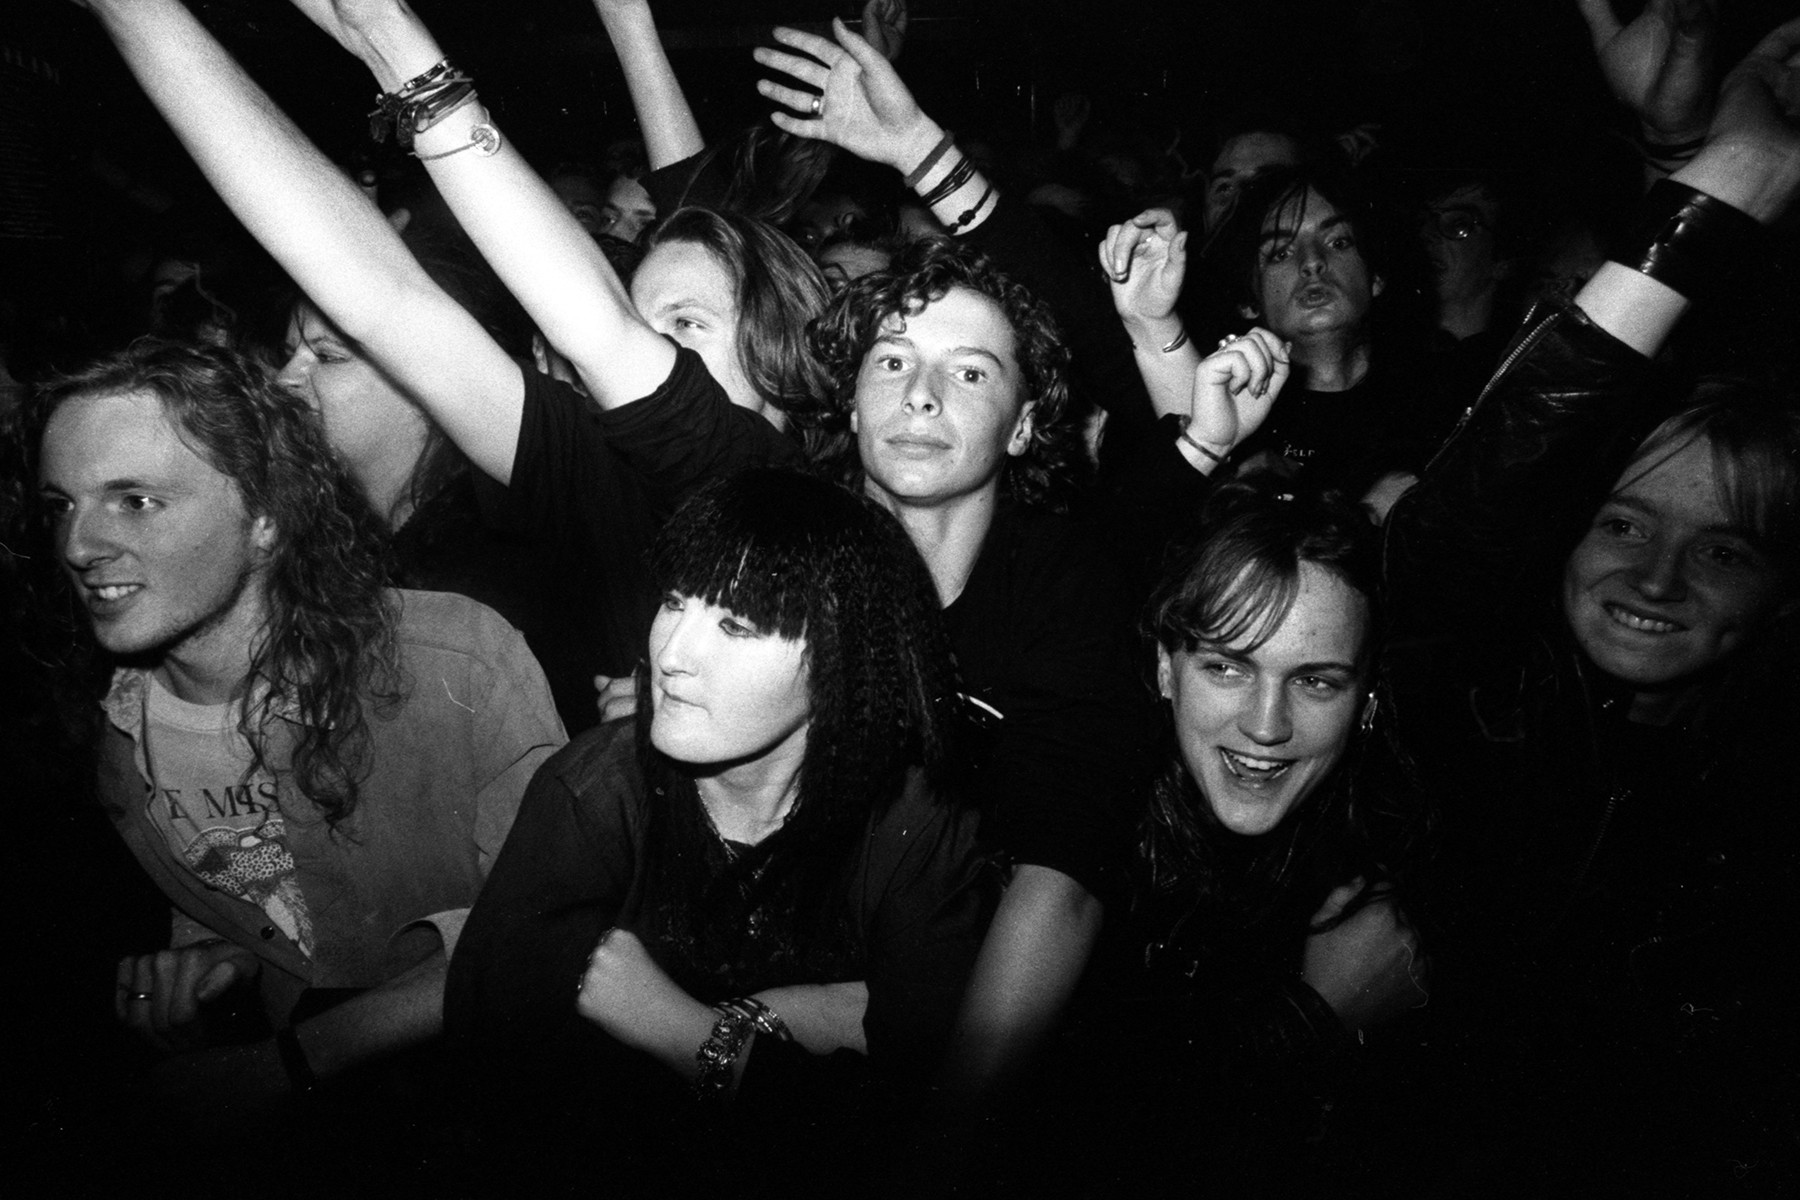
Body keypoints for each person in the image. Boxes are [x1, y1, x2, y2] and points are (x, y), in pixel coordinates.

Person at [77, 0, 827, 730]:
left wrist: (394, 38)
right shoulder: (602, 480)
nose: (637, 349)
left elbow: (606, 331)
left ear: (784, 359)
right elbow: (382, 296)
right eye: (640, 316)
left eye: (685, 325)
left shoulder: (808, 510)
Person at [1384, 15, 1800, 1189]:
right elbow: (1481, 504)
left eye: (1724, 552)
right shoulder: (1475, 696)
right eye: (1620, 523)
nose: (1656, 579)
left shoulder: (1765, 802)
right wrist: (1716, 177)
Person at [22, 337, 564, 1111]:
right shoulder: (111, 736)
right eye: (61, 505)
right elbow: (268, 904)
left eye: (135, 501)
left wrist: (287, 1065)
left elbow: (553, 932)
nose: (78, 546)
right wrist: (209, 970)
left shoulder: (457, 660)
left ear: (267, 514)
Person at [443, 468, 992, 1193]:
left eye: (735, 624)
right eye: (676, 602)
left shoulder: (917, 826)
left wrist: (692, 1029)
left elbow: (927, 1126)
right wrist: (825, 1022)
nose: (671, 656)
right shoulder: (596, 794)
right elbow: (504, 1093)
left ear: (842, 665)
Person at [1003, 475, 1427, 1192]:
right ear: (1167, 669)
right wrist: (1307, 1021)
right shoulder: (1081, 843)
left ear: (1368, 700)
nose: (1267, 725)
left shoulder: (1393, 861)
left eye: (1316, 682)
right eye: (1228, 668)